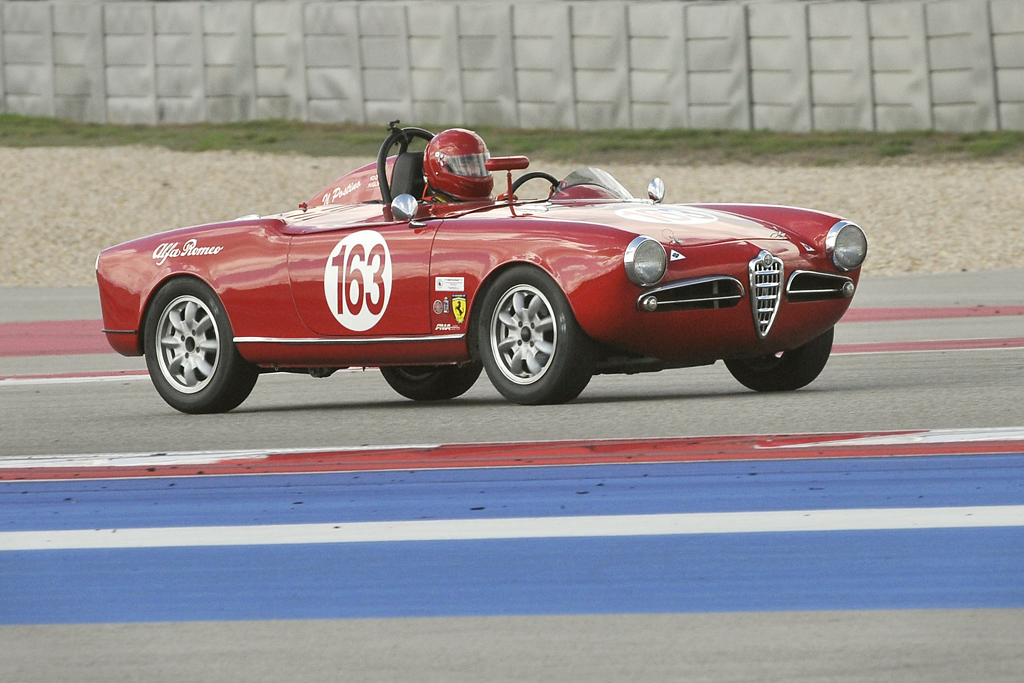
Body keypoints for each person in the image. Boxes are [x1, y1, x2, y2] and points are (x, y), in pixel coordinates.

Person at [422, 128, 494, 202]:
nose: (475, 170)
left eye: (477, 164)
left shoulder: (500, 206)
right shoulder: (426, 211)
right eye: (464, 164)